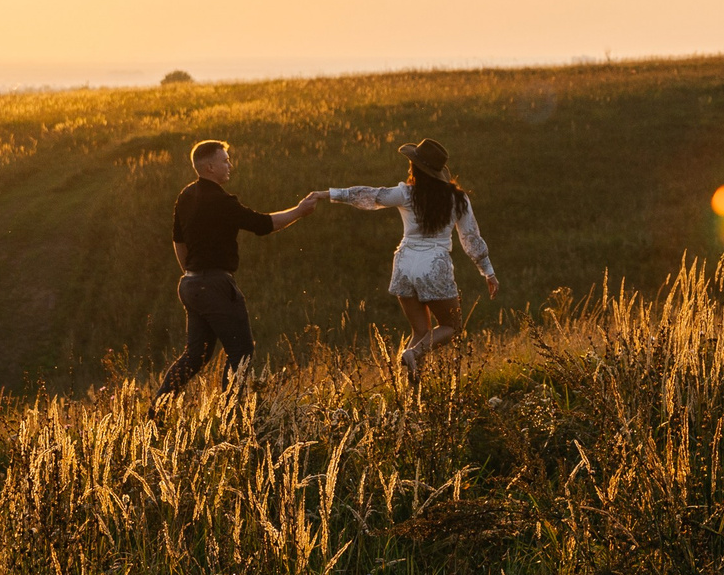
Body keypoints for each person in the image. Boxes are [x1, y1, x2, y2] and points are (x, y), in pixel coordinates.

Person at [310, 138, 497, 381]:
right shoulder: (457, 199)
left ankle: (407, 390)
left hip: (404, 264)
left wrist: (326, 194)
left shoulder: (406, 194)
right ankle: (413, 353)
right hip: (434, 265)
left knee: (420, 329)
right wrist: (488, 271)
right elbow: (470, 237)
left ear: (415, 168)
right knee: (452, 326)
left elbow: (369, 195)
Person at [154, 139, 322, 399]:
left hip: (189, 285)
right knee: (241, 352)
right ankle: (231, 416)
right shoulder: (222, 201)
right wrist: (299, 211)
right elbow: (263, 224)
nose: (229, 164)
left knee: (195, 355)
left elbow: (178, 240)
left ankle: (158, 408)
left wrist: (192, 275)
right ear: (210, 167)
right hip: (216, 285)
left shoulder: (186, 195)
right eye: (225, 160)